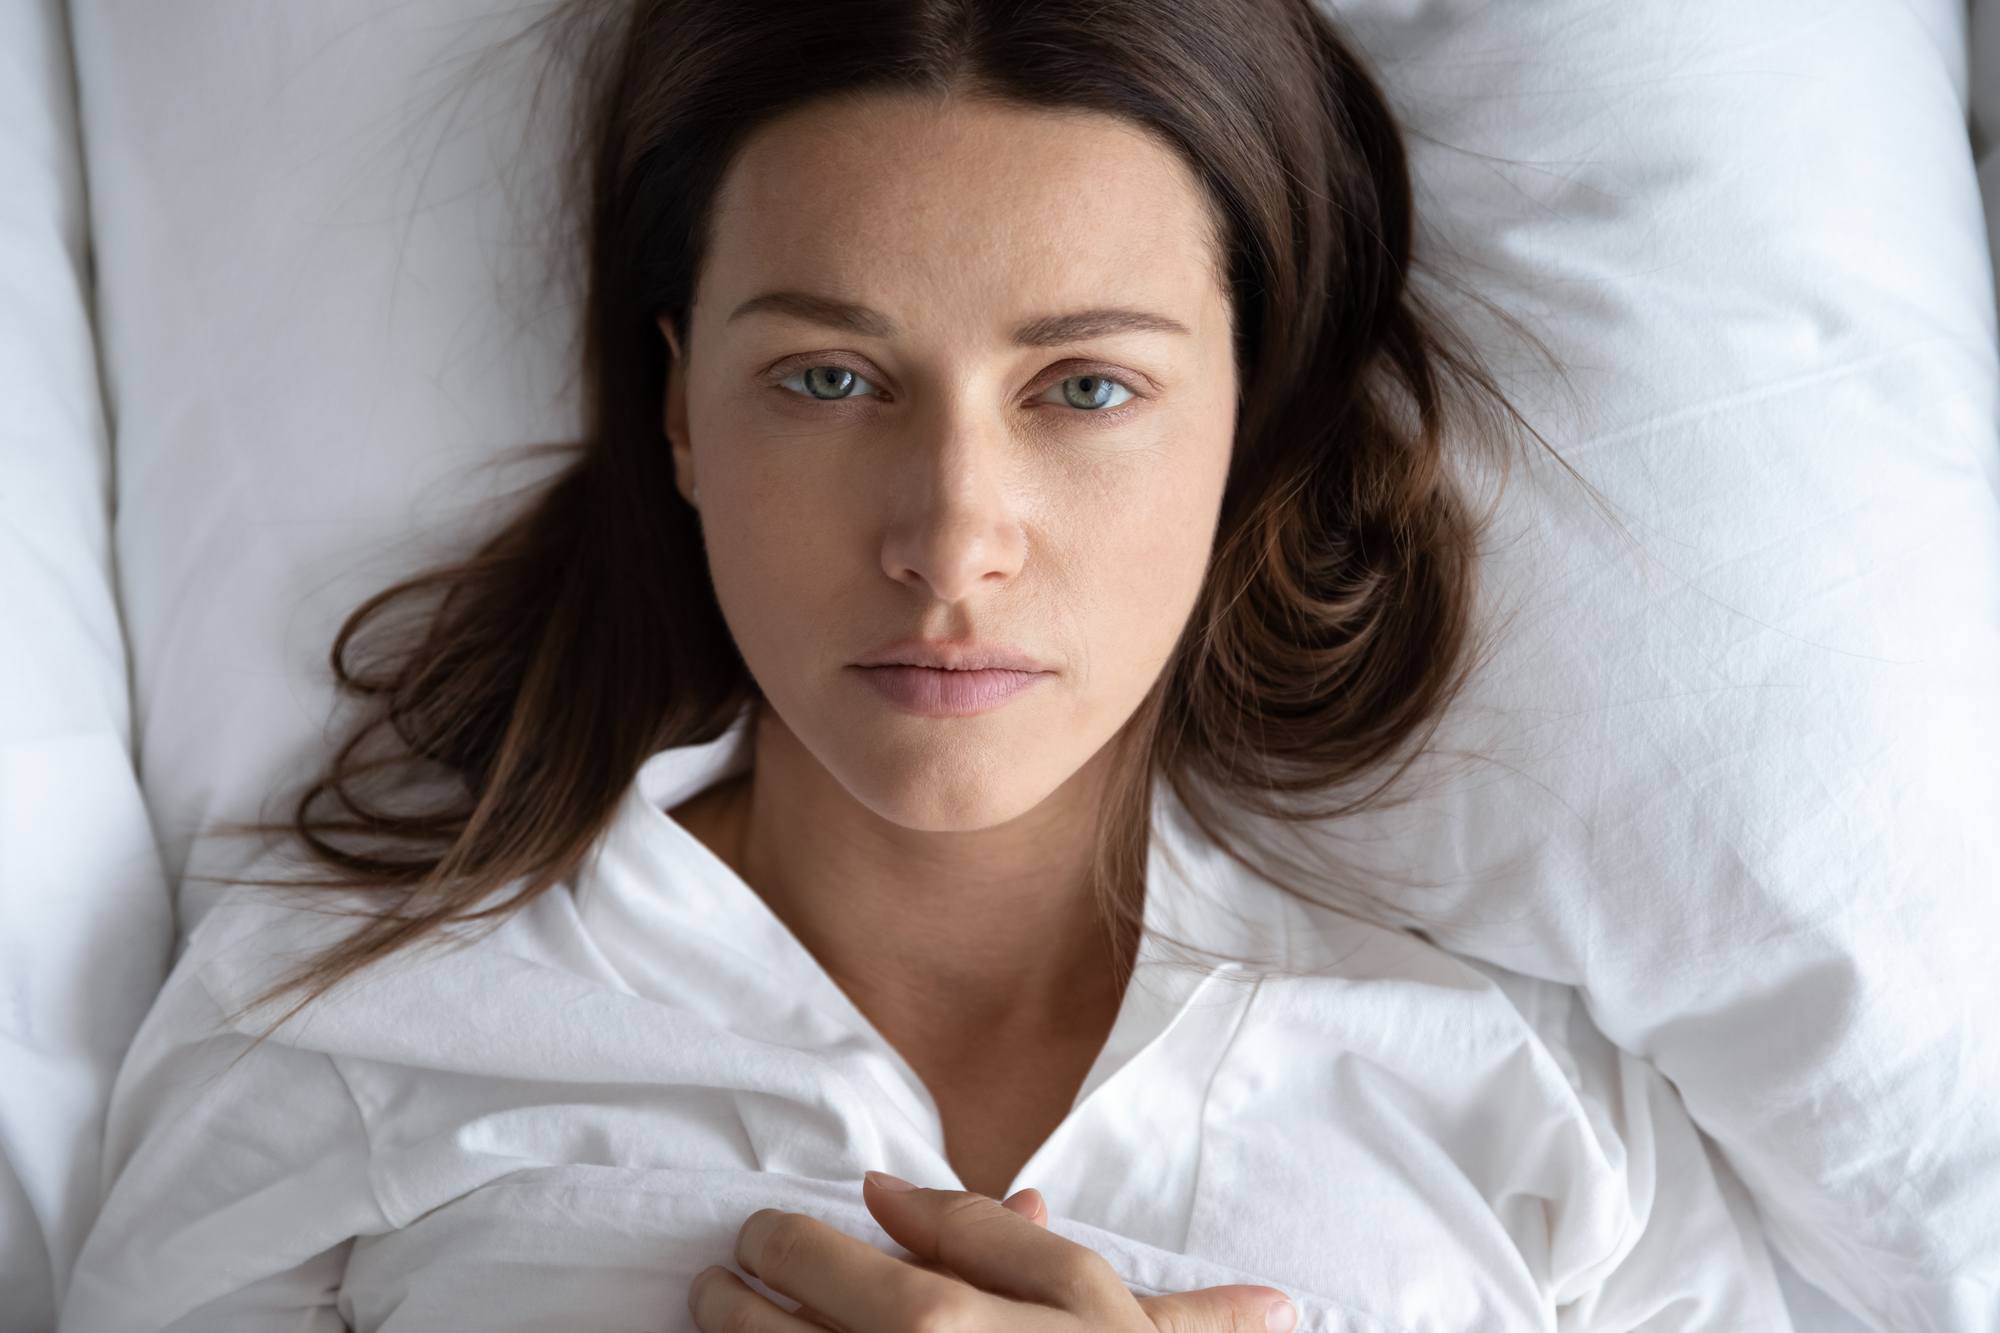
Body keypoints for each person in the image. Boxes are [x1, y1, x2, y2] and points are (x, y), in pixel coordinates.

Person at [61, 1, 1786, 1329]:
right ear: (678, 411)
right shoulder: (345, 1035)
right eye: (828, 378)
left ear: (1246, 421)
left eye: (1086, 388)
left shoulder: (1532, 1115)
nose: (951, 540)